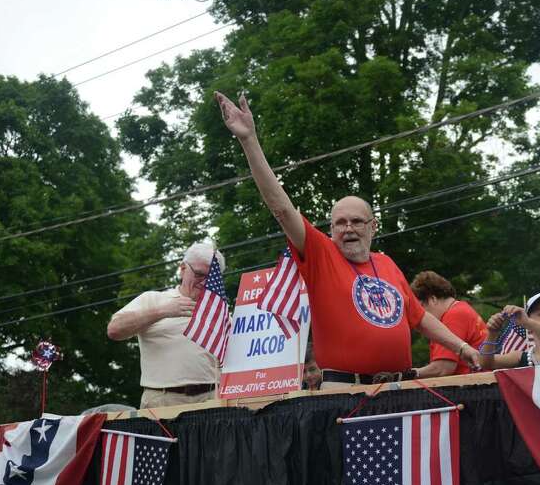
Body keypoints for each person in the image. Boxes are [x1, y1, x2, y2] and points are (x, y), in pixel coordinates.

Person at [214, 91, 480, 387]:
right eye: (339, 223)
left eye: (356, 221)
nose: (348, 228)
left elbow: (419, 319)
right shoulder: (321, 255)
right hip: (345, 391)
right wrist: (248, 140)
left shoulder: (387, 264)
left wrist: (461, 346)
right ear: (330, 230)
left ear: (373, 226)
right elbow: (281, 208)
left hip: (397, 388)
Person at [107, 243, 225, 408]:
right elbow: (114, 330)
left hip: (212, 399)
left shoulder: (221, 312)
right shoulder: (153, 299)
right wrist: (163, 311)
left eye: (212, 277)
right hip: (163, 399)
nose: (204, 282)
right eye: (199, 274)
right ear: (183, 268)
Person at [409, 271, 488, 377]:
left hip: (471, 389)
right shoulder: (462, 309)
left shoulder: (453, 316)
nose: (420, 316)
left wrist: (407, 374)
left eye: (420, 308)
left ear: (432, 299)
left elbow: (442, 369)